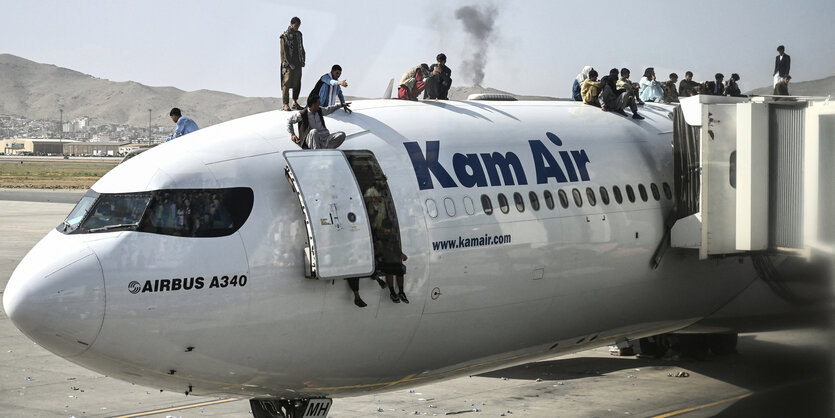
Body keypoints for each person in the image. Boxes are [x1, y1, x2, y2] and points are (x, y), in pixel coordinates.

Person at [287, 95, 351, 149]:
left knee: (341, 135)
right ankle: (317, 153)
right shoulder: (302, 114)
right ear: (313, 104)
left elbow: (329, 109)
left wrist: (341, 105)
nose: (319, 104)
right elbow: (289, 121)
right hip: (312, 139)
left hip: (325, 138)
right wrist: (292, 134)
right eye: (318, 102)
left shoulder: (319, 110)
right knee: (314, 131)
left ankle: (326, 150)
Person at [279, 16, 306, 112]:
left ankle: (295, 102)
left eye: (298, 26)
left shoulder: (299, 34)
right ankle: (286, 104)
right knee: (286, 83)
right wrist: (289, 63)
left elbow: (301, 47)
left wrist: (303, 59)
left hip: (298, 62)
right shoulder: (284, 36)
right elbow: (284, 51)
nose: (297, 27)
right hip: (287, 64)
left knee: (297, 82)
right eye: (295, 25)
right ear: (291, 24)